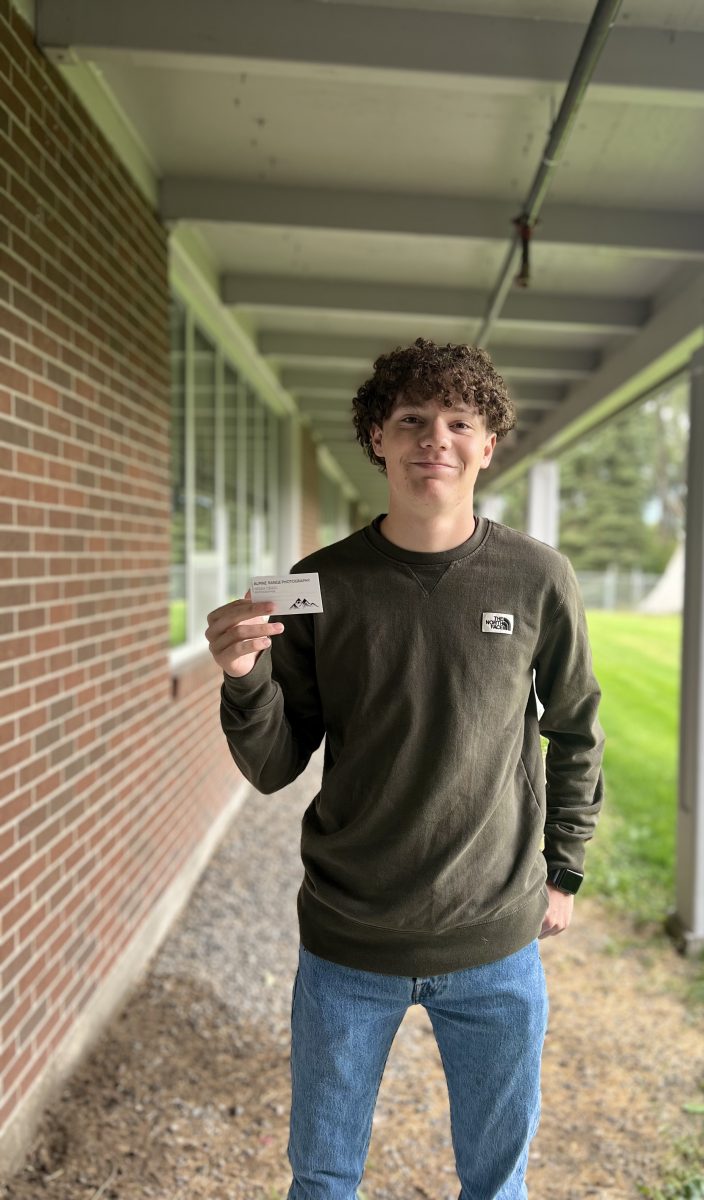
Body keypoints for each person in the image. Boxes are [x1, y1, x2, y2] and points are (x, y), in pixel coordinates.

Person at [205, 337, 605, 1200]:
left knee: (496, 1184)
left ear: (488, 444)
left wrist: (564, 871)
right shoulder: (315, 585)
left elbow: (575, 730)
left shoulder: (538, 577)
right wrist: (243, 679)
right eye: (413, 420)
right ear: (377, 439)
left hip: (496, 939)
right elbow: (276, 763)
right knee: (322, 1179)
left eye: (460, 421)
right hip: (349, 941)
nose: (437, 439)